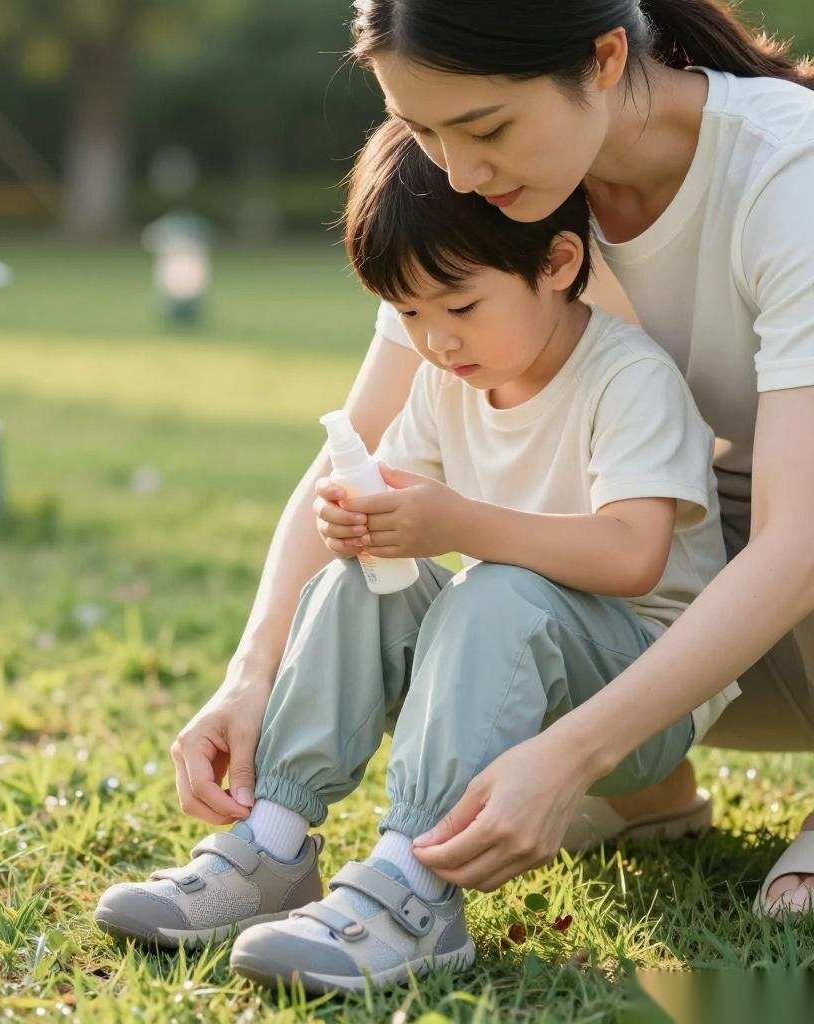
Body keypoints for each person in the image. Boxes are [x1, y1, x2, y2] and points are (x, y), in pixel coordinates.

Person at [166, 1, 814, 920]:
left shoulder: (788, 173)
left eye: (484, 130)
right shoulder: (485, 196)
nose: (459, 172)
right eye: (422, 131)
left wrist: (568, 757)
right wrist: (251, 674)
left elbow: (797, 545)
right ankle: (645, 798)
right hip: (690, 624)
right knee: (476, 591)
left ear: (601, 58)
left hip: (781, 605)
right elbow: (353, 449)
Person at [95, 117, 733, 993]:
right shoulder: (445, 383)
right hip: (510, 674)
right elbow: (408, 524)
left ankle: (412, 887)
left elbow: (635, 556)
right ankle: (274, 839)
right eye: (407, 314)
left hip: (636, 699)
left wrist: (457, 522)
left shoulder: (628, 379)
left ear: (557, 264)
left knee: (498, 589)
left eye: (462, 307)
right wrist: (367, 524)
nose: (437, 342)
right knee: (364, 580)